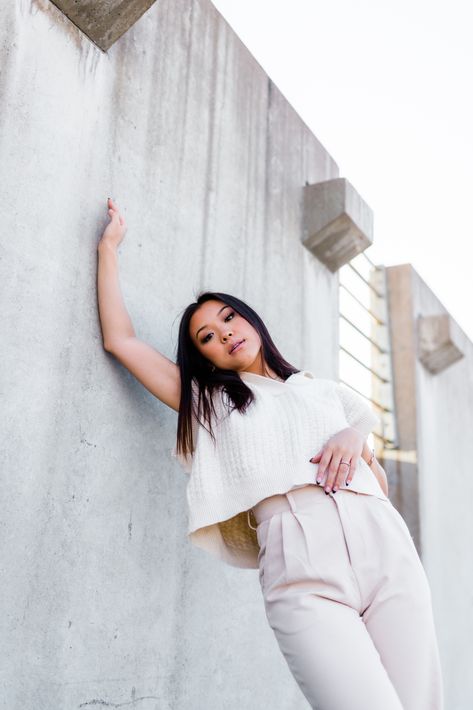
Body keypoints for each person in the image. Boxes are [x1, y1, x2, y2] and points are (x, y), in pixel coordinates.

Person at [97, 198, 444, 710]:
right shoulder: (211, 402)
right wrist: (109, 248)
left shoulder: (320, 390)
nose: (225, 333)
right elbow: (120, 340)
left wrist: (356, 441)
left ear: (252, 320)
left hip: (384, 545)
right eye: (207, 337)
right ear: (205, 357)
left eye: (230, 318)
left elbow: (376, 484)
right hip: (301, 566)